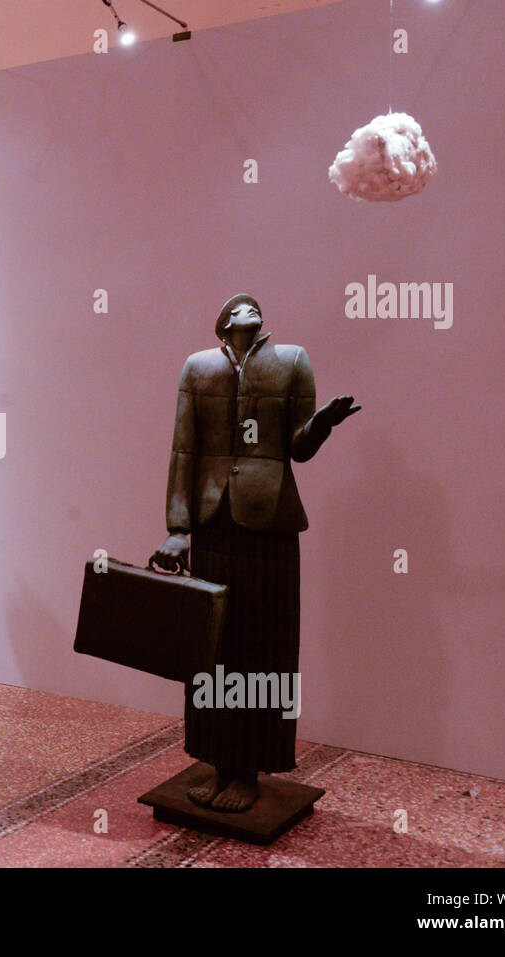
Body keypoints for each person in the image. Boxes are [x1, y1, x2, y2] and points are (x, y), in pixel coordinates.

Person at [152, 294, 359, 812]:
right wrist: (178, 528)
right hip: (212, 525)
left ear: (262, 322)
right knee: (214, 646)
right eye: (235, 309)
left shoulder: (291, 360)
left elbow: (298, 447)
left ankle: (249, 769)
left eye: (253, 309)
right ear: (222, 322)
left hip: (269, 525)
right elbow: (183, 449)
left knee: (264, 644)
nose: (245, 312)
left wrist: (323, 425)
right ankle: (219, 762)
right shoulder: (198, 367)